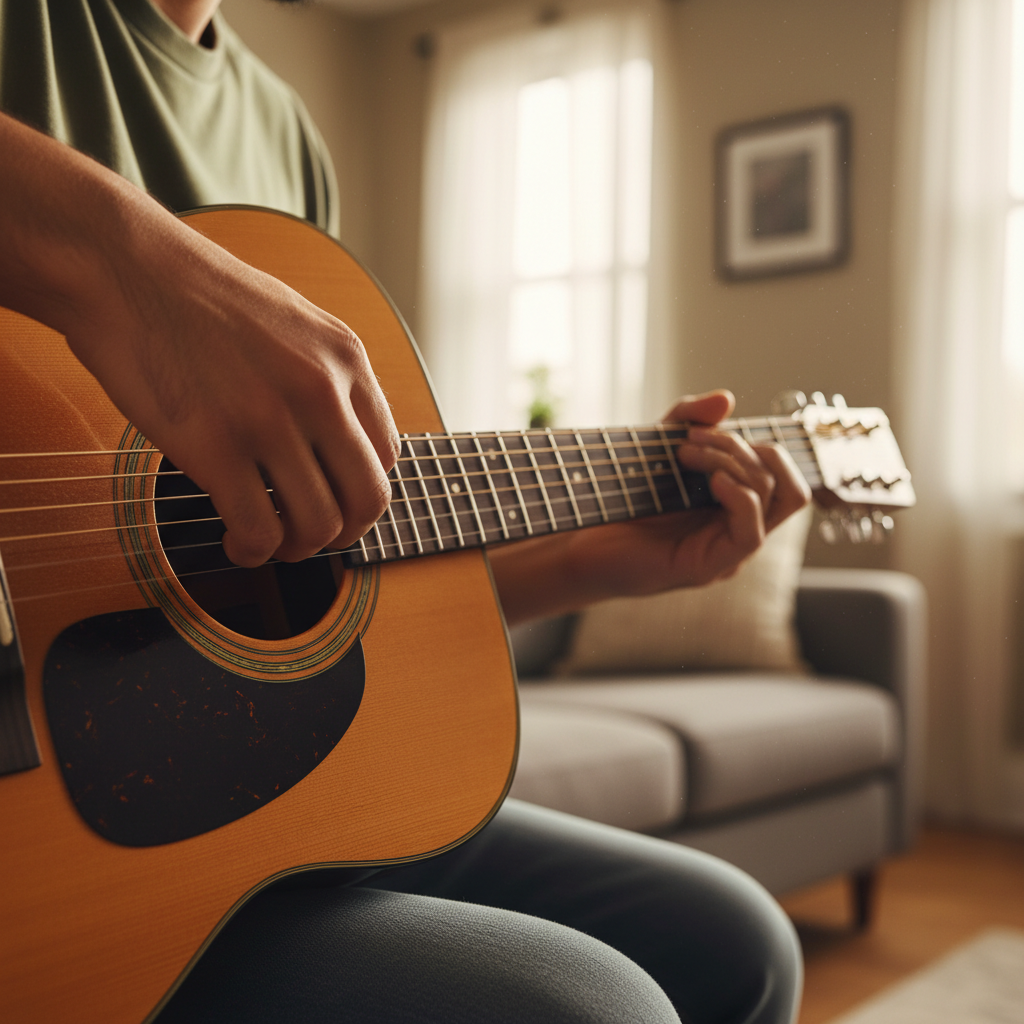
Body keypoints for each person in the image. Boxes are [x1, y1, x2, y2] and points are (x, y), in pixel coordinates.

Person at [0, 1, 810, 1021]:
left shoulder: (281, 129)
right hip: (41, 867)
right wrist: (136, 266)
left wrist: (594, 562)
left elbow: (326, 579)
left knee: (738, 942)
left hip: (203, 814)